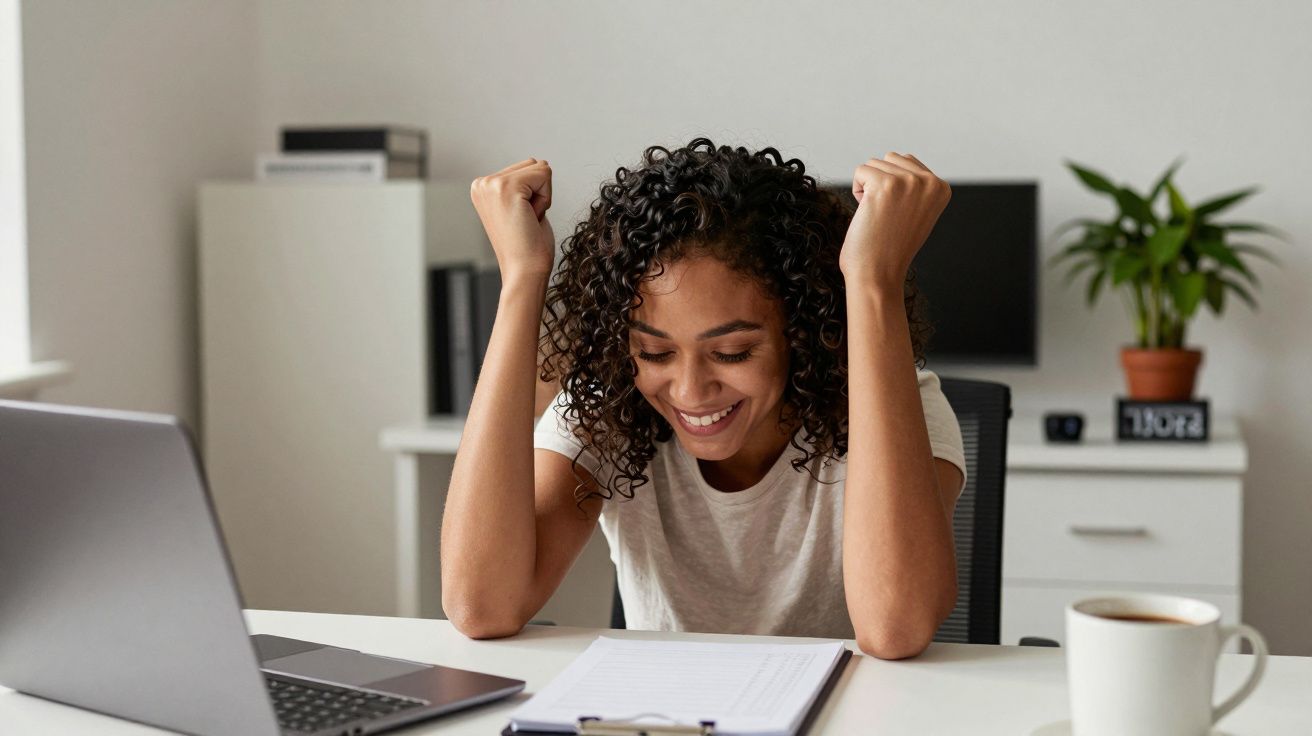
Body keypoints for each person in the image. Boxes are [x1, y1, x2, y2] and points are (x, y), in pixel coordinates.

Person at [441, 138, 966, 660]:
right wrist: (522, 278)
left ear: (803, 333)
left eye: (733, 352)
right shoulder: (610, 405)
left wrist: (874, 281)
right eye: (654, 352)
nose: (691, 392)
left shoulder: (900, 407)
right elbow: (480, 606)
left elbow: (895, 629)